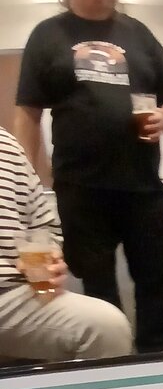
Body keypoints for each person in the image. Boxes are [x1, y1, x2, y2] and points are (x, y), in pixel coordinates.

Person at [13, 0, 163, 353]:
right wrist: (24, 182)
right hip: (81, 189)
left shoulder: (139, 34)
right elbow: (28, 113)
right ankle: (110, 367)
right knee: (97, 285)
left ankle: (156, 359)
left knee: (157, 276)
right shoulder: (47, 35)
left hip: (143, 187)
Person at [0, 127, 132, 361]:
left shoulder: (7, 144)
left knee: (105, 326)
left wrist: (51, 259)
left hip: (13, 295)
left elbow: (43, 226)